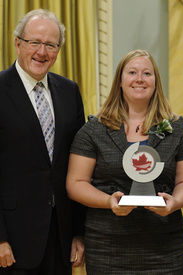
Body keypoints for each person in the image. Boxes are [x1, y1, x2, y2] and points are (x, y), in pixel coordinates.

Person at [66, 49, 183, 274]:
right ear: (119, 80)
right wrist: (109, 202)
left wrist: (174, 203)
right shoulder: (93, 130)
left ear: (156, 81)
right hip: (108, 246)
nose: (139, 79)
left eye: (147, 73)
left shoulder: (177, 128)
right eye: (132, 72)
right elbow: (76, 184)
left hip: (165, 247)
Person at [0, 9, 86, 274]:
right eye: (34, 42)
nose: (42, 52)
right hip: (11, 242)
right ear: (17, 43)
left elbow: (80, 164)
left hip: (60, 239)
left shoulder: (69, 91)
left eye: (50, 44)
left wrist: (78, 232)